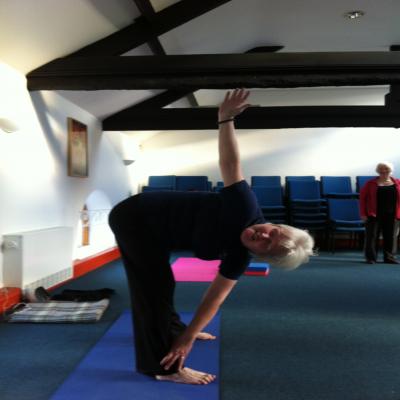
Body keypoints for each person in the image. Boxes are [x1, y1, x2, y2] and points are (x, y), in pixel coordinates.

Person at [108, 89, 315, 385]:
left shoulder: (239, 256)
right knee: (152, 291)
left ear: (263, 257)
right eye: (274, 230)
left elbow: (214, 297)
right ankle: (162, 368)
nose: (264, 234)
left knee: (161, 284)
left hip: (158, 233)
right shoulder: (244, 207)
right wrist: (225, 118)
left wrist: (190, 335)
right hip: (136, 218)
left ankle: (175, 330)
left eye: (268, 244)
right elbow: (231, 165)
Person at [360, 162, 400, 264]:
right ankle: (371, 258)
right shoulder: (370, 183)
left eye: (386, 169)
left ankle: (389, 258)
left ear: (390, 170)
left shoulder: (398, 183)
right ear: (378, 171)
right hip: (373, 214)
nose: (384, 171)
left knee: (391, 237)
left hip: (392, 215)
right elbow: (362, 199)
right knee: (372, 237)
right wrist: (363, 214)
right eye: (381, 169)